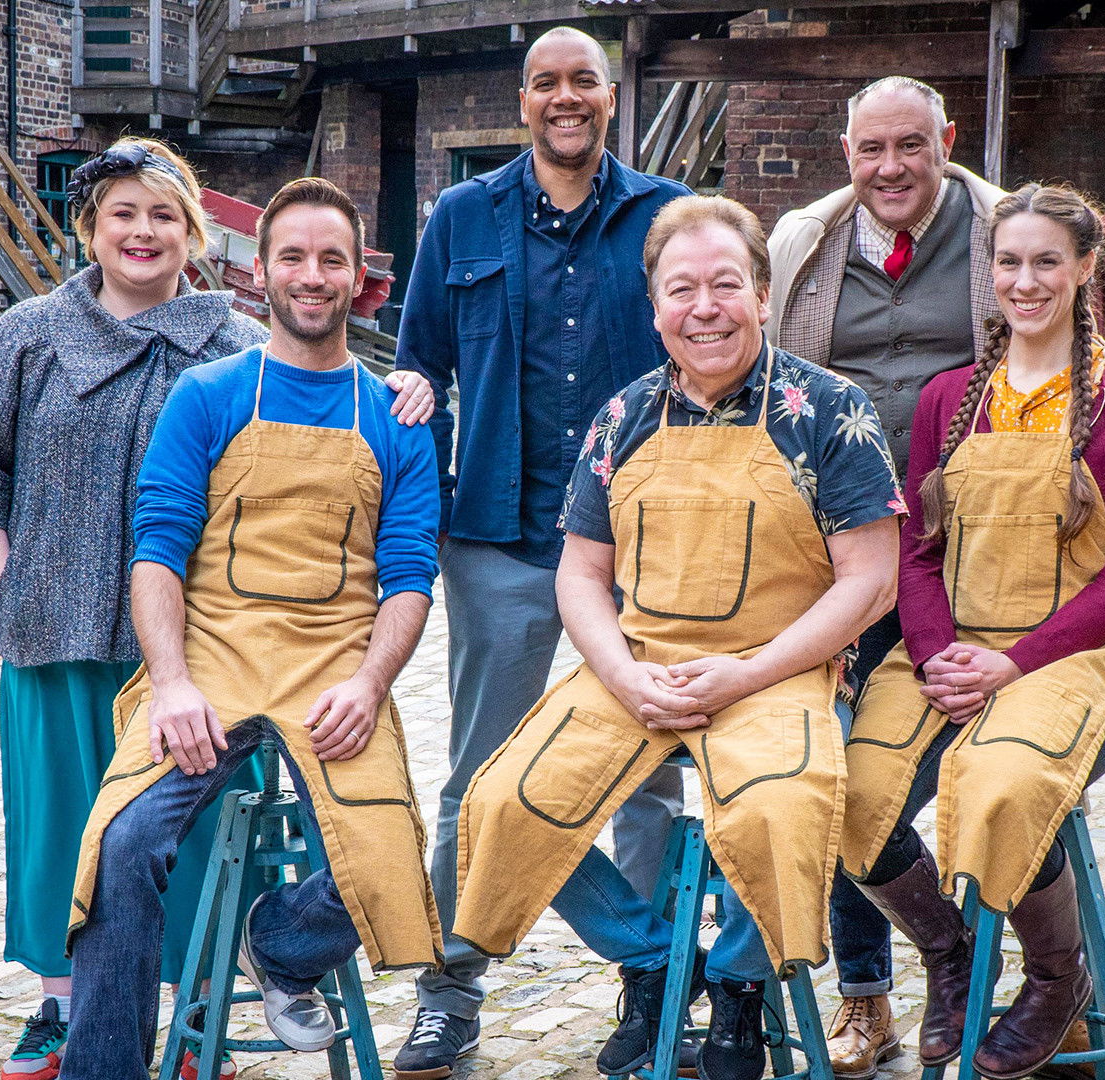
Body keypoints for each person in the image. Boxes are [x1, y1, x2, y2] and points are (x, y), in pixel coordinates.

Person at [0, 138, 432, 1080]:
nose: (142, 231)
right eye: (123, 213)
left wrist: (404, 382)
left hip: (202, 645)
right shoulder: (27, 337)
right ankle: (63, 1010)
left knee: (202, 834)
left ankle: (205, 993)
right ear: (92, 227)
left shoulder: (233, 348)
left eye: (163, 214)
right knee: (68, 823)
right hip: (61, 630)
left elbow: (318, 370)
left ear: (194, 234)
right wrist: (20, 591)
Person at [764, 76, 1105, 1079]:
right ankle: (948, 956)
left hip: (1063, 650)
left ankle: (1054, 980)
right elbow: (918, 548)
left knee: (998, 786)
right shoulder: (954, 398)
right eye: (1011, 263)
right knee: (849, 799)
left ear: (1087, 270)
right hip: (941, 637)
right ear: (988, 271)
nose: (1026, 280)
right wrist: (938, 649)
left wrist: (1012, 662)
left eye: (1049, 262)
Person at [452, 196, 903, 1080]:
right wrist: (619, 673)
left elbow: (870, 580)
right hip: (638, 670)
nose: (705, 308)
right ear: (653, 306)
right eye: (681, 290)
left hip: (783, 673)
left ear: (764, 296)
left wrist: (747, 673)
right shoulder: (623, 418)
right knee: (499, 804)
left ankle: (738, 986)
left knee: (778, 810)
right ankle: (654, 962)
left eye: (726, 285)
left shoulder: (828, 411)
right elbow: (580, 574)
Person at [56, 177, 443, 1080]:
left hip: (336, 668)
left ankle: (280, 944)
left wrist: (370, 684)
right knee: (121, 847)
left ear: (363, 282)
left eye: (332, 260)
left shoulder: (397, 416)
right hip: (211, 657)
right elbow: (155, 549)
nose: (312, 277)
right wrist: (175, 683)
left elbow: (411, 576)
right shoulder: (206, 394)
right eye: (294, 258)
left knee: (384, 866)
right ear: (259, 273)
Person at [391, 26, 691, 1077]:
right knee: (481, 781)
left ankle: (651, 1004)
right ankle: (450, 989)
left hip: (639, 557)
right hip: (500, 543)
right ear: (522, 101)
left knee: (646, 779)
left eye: (584, 82)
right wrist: (413, 539)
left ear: (612, 97)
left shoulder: (664, 219)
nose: (566, 99)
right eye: (547, 83)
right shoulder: (461, 218)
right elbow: (418, 373)